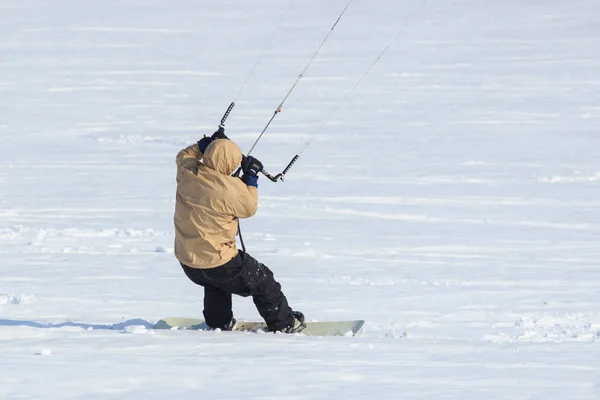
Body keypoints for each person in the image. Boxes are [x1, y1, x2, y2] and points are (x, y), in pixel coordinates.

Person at [173, 127, 306, 333]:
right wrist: (251, 176)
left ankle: (219, 322)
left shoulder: (188, 172)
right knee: (263, 281)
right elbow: (249, 206)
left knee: (215, 283)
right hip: (220, 262)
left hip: (189, 262)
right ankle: (285, 324)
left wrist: (204, 144)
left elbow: (184, 155)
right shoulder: (229, 190)